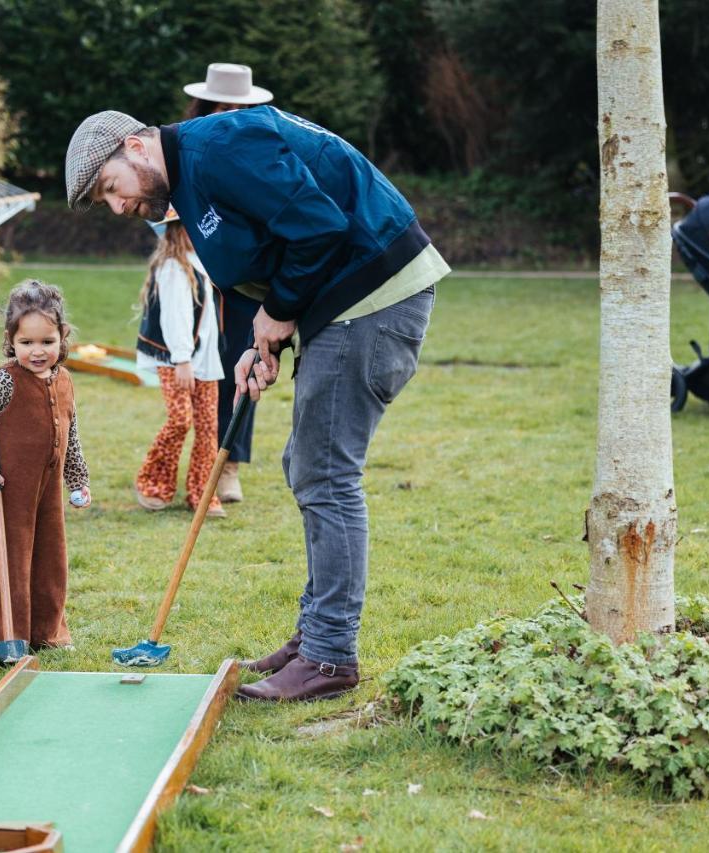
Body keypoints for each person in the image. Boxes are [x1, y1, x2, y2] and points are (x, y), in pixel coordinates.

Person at [66, 106, 450, 702]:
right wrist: (262, 340)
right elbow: (276, 250)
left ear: (135, 146)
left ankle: (329, 657)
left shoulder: (219, 147)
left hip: (373, 296)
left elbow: (319, 226)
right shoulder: (191, 178)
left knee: (325, 473)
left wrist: (281, 311)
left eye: (111, 190)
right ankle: (314, 635)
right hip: (344, 303)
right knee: (306, 465)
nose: (118, 208)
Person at [0, 280, 91, 663]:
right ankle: (2, 635)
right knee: (10, 559)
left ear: (62, 337)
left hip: (48, 489)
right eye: (27, 343)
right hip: (10, 488)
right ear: (11, 341)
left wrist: (78, 479)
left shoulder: (64, 380)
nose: (37, 351)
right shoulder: (4, 382)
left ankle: (46, 632)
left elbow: (72, 432)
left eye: (47, 342)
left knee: (51, 557)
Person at [180, 63, 274, 503]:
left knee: (243, 367)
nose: (231, 113)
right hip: (197, 282)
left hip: (245, 286)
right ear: (206, 105)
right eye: (224, 105)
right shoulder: (185, 150)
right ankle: (200, 465)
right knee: (197, 373)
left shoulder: (263, 150)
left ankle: (229, 465)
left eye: (240, 106)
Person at [134, 207, 225, 518]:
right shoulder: (174, 267)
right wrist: (183, 360)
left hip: (205, 360)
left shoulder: (201, 262)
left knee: (208, 428)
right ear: (177, 230)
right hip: (179, 360)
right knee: (180, 420)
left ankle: (202, 492)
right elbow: (176, 317)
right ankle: (153, 483)